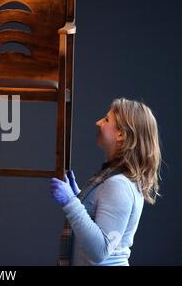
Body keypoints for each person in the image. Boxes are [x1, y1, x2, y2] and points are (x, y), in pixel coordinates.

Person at [50, 98, 161, 266]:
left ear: (121, 135)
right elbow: (100, 221)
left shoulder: (119, 185)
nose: (98, 123)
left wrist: (71, 202)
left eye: (107, 119)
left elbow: (99, 251)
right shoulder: (117, 179)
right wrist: (79, 197)